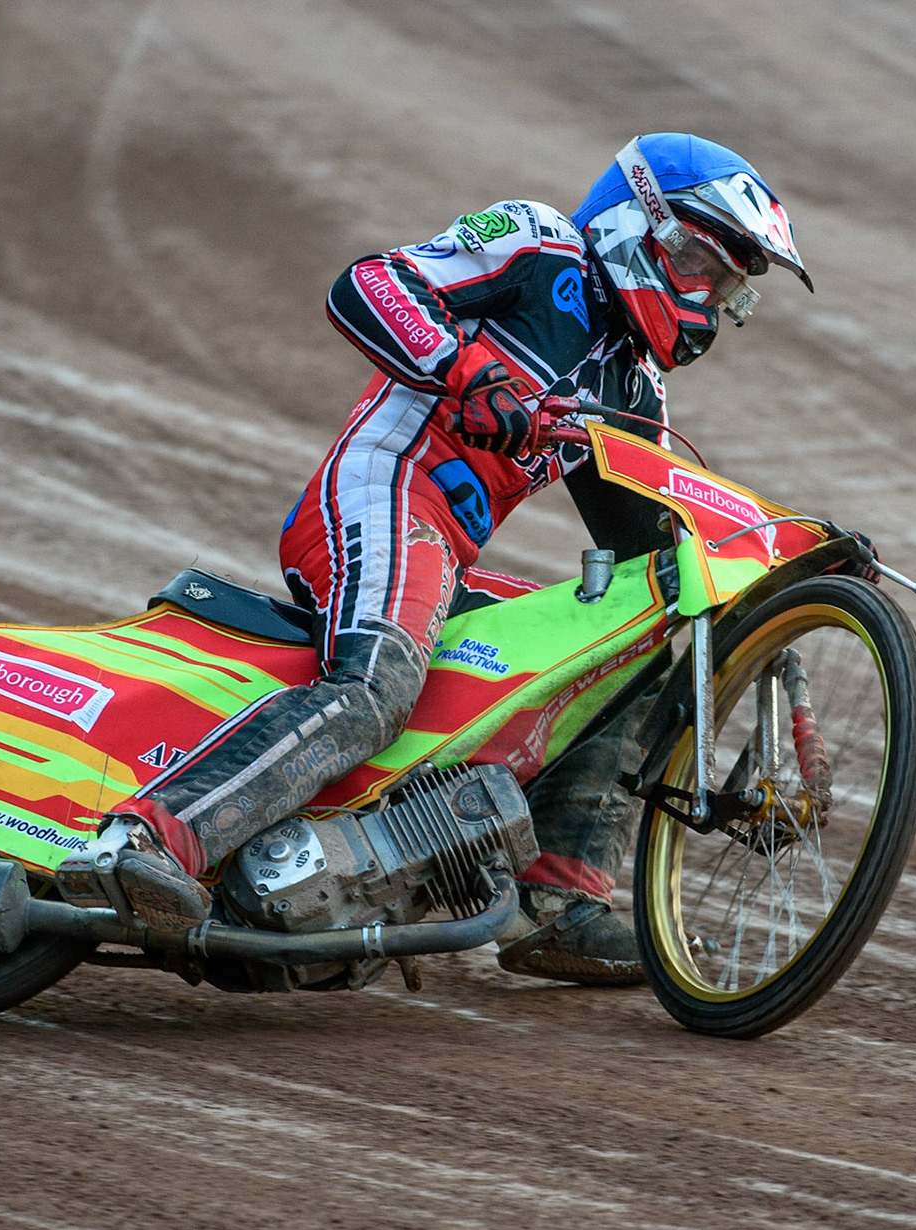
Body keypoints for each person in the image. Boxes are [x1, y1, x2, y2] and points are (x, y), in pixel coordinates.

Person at [97, 133, 822, 984]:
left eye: (728, 285)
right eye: (702, 263)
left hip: (443, 554)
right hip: (381, 494)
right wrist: (466, 368)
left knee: (625, 651)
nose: (708, 296)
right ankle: (149, 837)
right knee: (378, 688)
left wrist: (775, 575)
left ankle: (555, 901)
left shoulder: (633, 389)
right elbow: (367, 284)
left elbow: (656, 550)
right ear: (644, 223)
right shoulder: (540, 241)